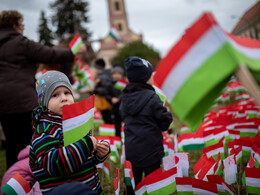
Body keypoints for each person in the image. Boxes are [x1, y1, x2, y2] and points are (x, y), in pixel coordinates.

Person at [0, 10, 85, 168]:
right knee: (30, 141)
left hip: (3, 102)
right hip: (22, 100)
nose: (23, 28)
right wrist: (72, 52)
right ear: (14, 25)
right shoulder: (20, 42)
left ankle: (13, 181)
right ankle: (32, 176)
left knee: (12, 142)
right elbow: (49, 53)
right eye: (21, 25)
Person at [29, 71, 110, 194]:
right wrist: (86, 144)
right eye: (55, 95)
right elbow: (55, 164)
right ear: (44, 102)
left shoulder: (76, 123)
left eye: (67, 92)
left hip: (91, 188)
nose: (64, 98)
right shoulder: (44, 131)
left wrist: (98, 154)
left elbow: (83, 158)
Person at [119, 56, 173, 194]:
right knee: (154, 183)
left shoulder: (125, 97)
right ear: (147, 78)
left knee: (134, 183)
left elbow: (123, 115)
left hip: (132, 151)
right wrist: (166, 113)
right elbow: (165, 122)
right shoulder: (152, 97)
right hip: (151, 151)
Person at [93, 58, 113, 124]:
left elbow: (106, 90)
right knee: (107, 120)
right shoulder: (100, 76)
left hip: (105, 102)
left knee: (108, 120)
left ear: (99, 68)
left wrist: (95, 90)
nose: (94, 69)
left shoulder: (104, 77)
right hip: (103, 102)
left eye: (95, 68)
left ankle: (110, 133)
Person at [111, 65, 124, 137]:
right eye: (115, 73)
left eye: (119, 73)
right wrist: (111, 99)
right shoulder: (110, 84)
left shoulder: (124, 84)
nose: (117, 75)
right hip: (114, 109)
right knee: (116, 125)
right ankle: (117, 139)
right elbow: (107, 94)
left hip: (123, 108)